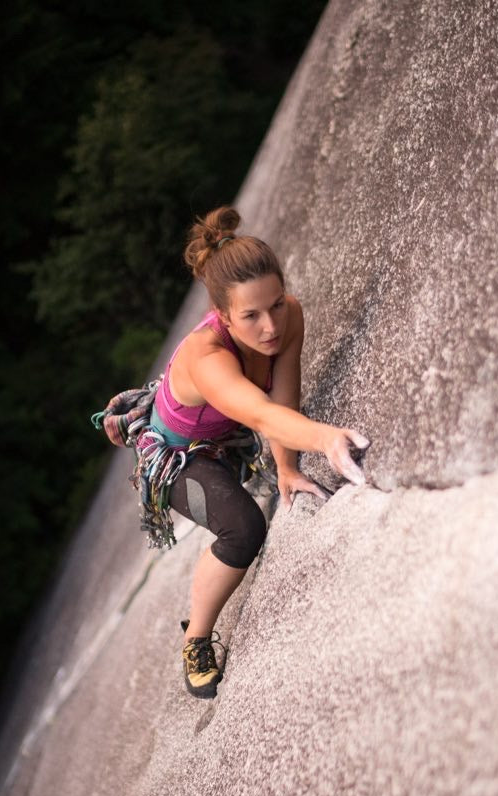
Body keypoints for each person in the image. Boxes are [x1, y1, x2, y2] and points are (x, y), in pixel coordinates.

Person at [151, 206, 369, 699]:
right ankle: (197, 638)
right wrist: (324, 438)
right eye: (251, 315)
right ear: (224, 316)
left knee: (264, 482)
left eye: (273, 304)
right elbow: (262, 414)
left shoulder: (288, 316)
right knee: (244, 527)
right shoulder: (207, 357)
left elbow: (282, 392)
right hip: (179, 455)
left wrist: (287, 466)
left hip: (229, 435)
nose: (269, 326)